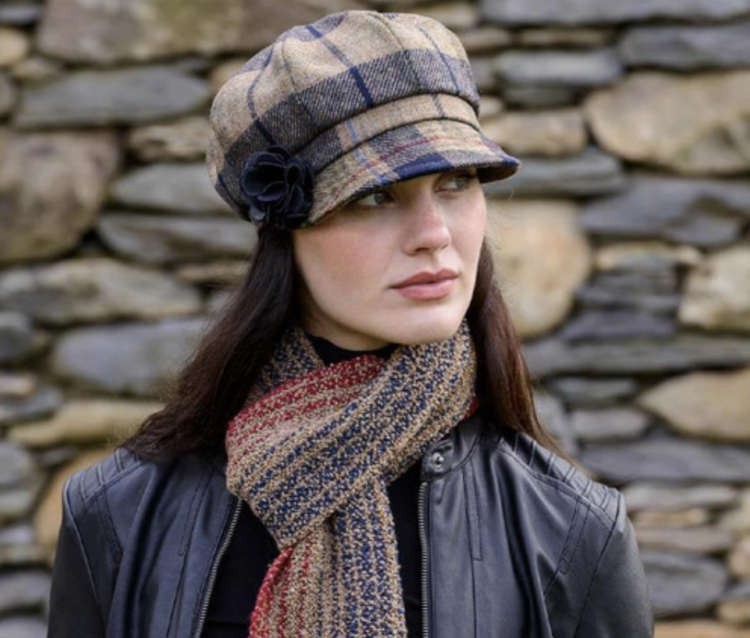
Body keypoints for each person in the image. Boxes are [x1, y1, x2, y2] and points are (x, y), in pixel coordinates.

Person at [47, 9, 654, 638]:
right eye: (374, 196)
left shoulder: (573, 531)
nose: (433, 234)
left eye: (456, 181)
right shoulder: (117, 516)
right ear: (287, 233)